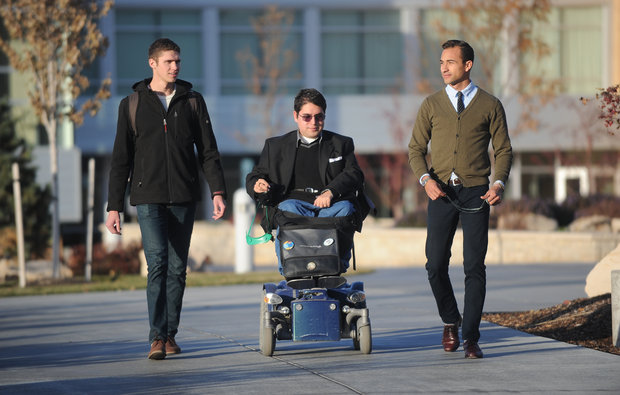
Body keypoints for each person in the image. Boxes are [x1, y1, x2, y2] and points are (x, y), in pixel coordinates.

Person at [105, 38, 227, 360]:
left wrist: (216, 191)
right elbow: (121, 159)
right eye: (169, 62)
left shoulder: (192, 101)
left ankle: (170, 334)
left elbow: (209, 152)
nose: (175, 67)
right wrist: (113, 206)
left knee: (177, 269)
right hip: (148, 197)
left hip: (184, 197)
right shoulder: (131, 104)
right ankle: (156, 337)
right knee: (157, 263)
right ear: (153, 63)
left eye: (178, 62)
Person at [408, 39, 512, 359]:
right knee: (435, 264)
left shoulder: (490, 105)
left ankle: (470, 338)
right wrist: (425, 180)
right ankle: (450, 320)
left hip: (477, 193)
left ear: (467, 65)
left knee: (473, 266)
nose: (443, 68)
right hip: (439, 191)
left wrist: (498, 183)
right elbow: (415, 149)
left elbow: (503, 149)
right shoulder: (430, 104)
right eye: (441, 62)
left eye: (450, 62)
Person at [246, 88, 364, 275]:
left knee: (346, 209)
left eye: (319, 117)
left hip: (330, 206)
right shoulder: (275, 146)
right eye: (307, 117)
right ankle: (291, 268)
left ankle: (333, 267)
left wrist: (330, 191)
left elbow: (354, 173)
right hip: (295, 206)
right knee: (287, 208)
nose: (314, 122)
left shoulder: (341, 143)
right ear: (296, 116)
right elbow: (256, 174)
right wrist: (257, 184)